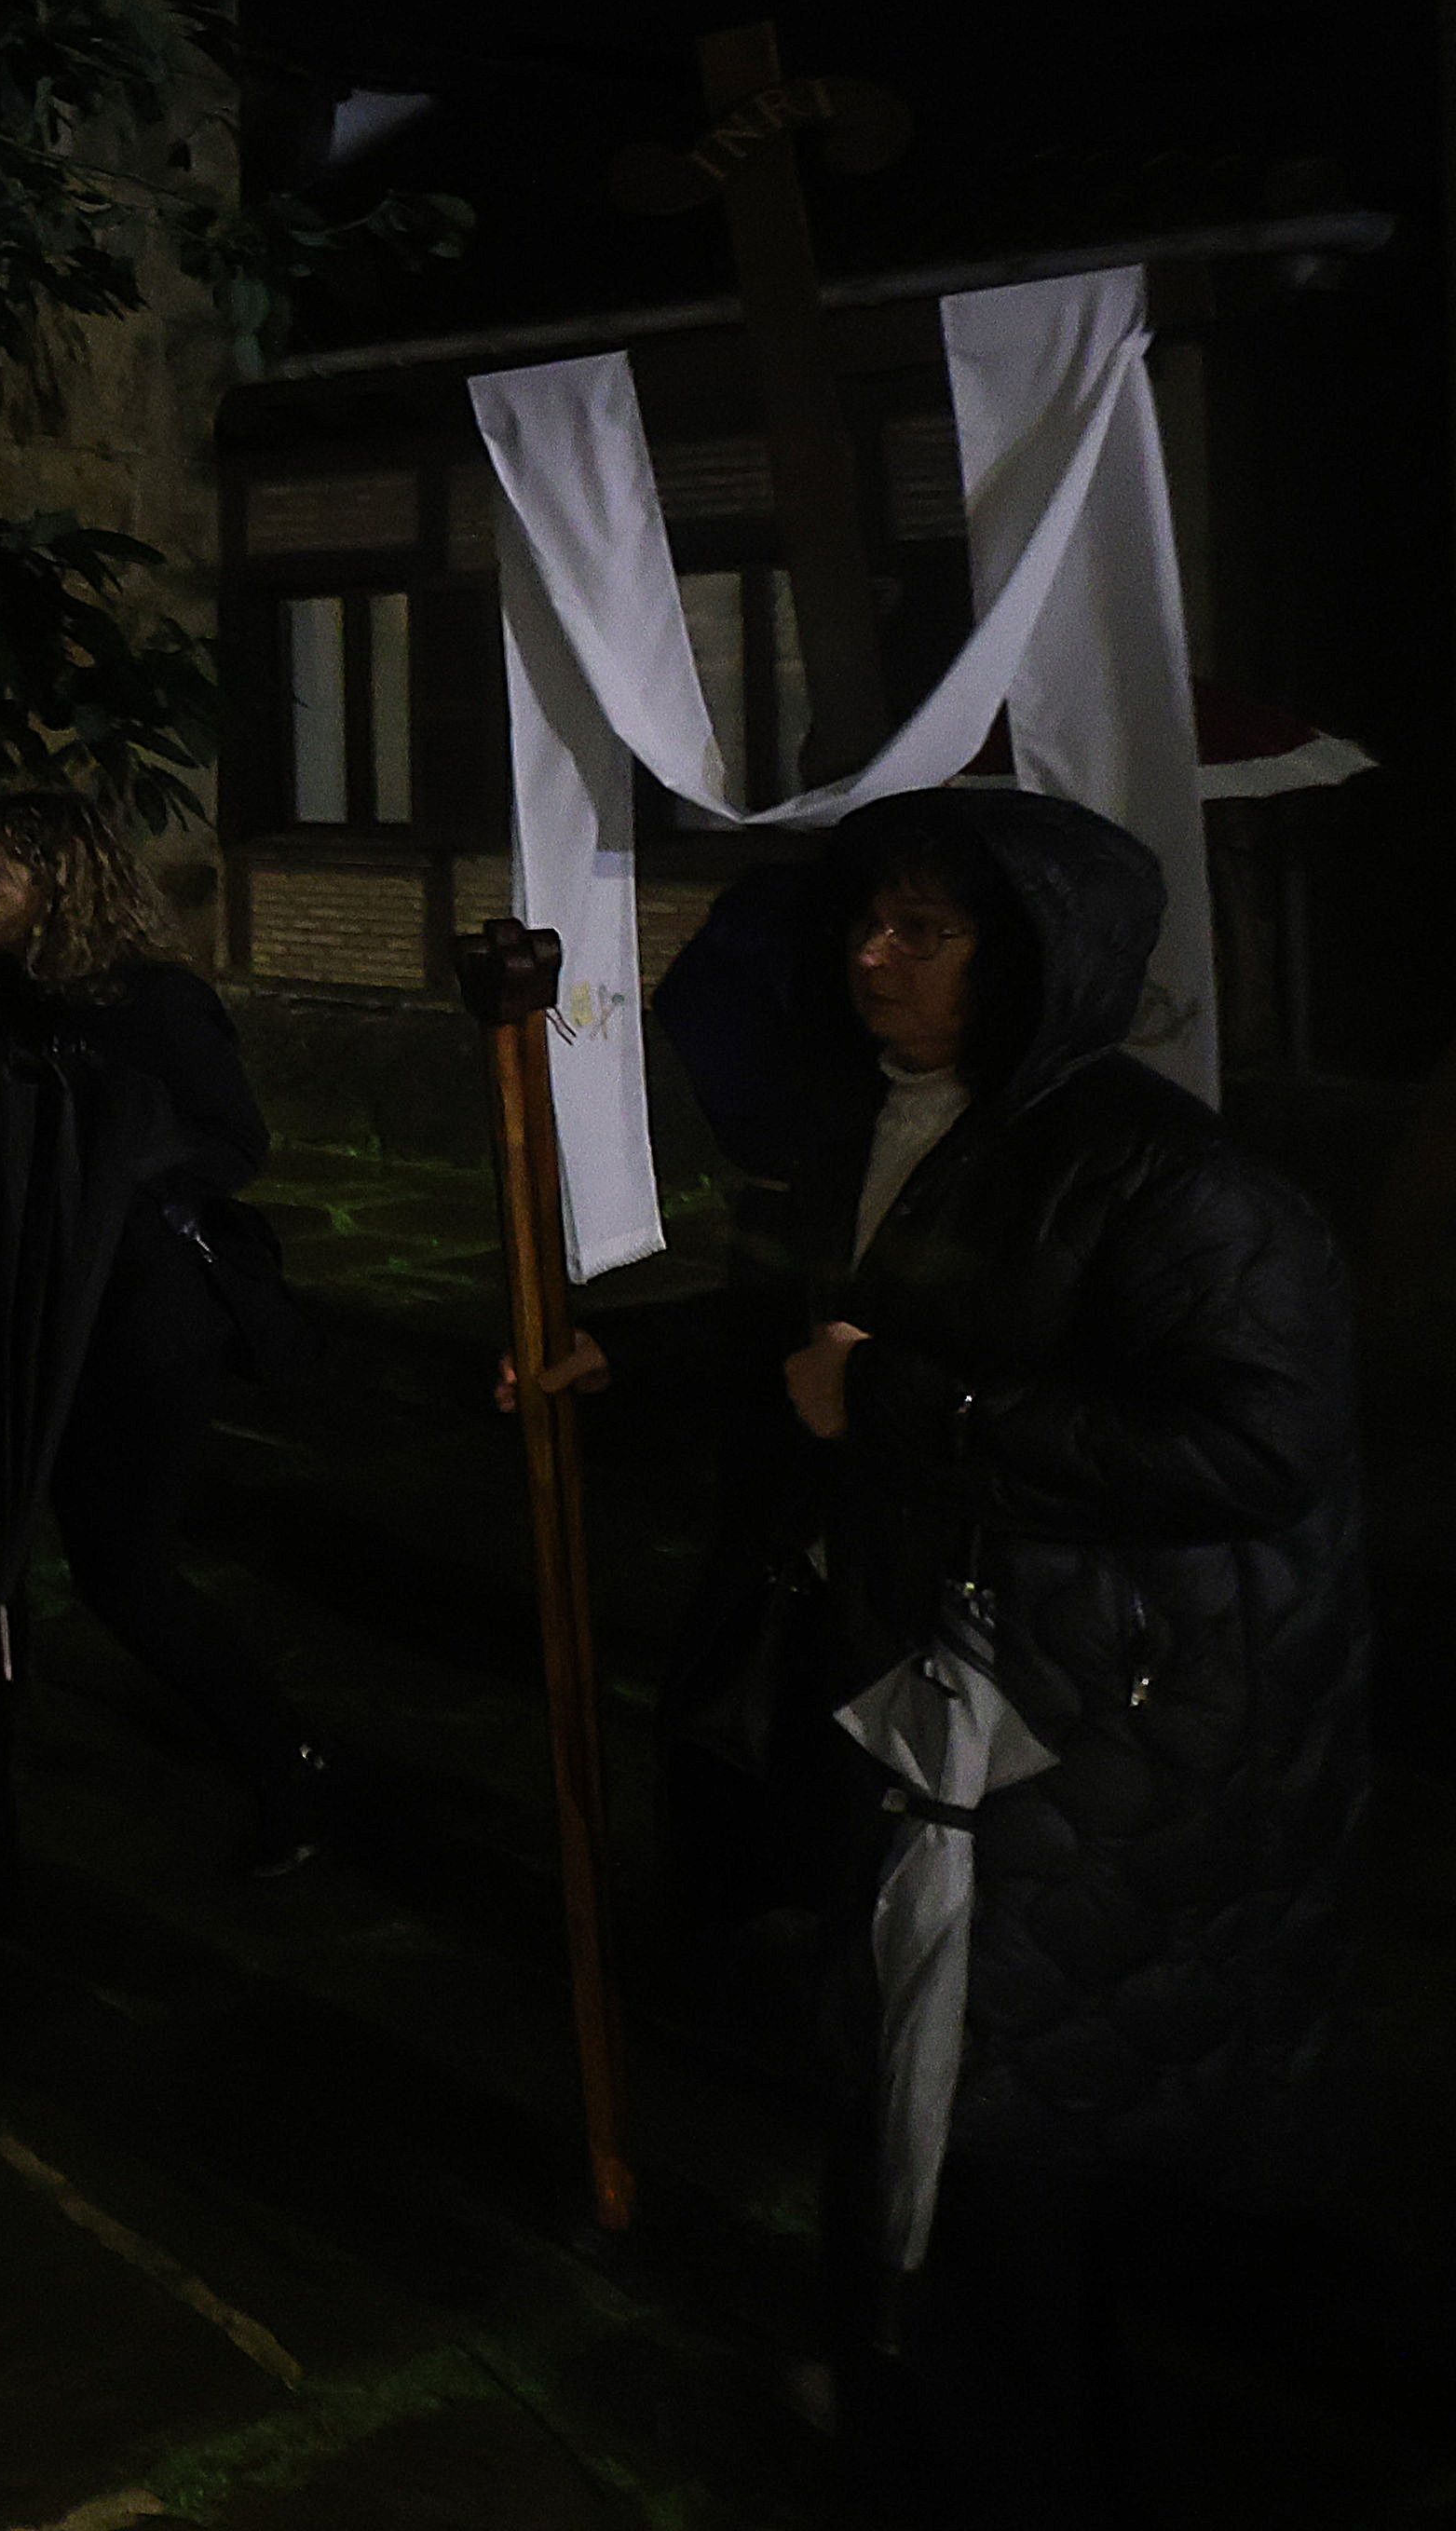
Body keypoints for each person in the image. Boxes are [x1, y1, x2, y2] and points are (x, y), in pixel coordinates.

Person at [507, 793, 1366, 2529]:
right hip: (900, 1680)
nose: (871, 957)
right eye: (867, 925)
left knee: (983, 2105)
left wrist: (916, 1406)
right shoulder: (867, 1133)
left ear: (1038, 960)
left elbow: (1256, 1446)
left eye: (924, 932)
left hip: (1063, 1740)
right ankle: (903, 2372)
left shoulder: (1171, 1181)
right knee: (898, 2064)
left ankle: (982, 2444)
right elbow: (792, 1342)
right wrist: (625, 1362)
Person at [0, 789, 333, 1881]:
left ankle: (280, 1755)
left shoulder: (156, 1004)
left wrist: (106, 1161)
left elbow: (231, 1140)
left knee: (124, 1571)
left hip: (140, 1331)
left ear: (59, 887)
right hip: (27, 1323)